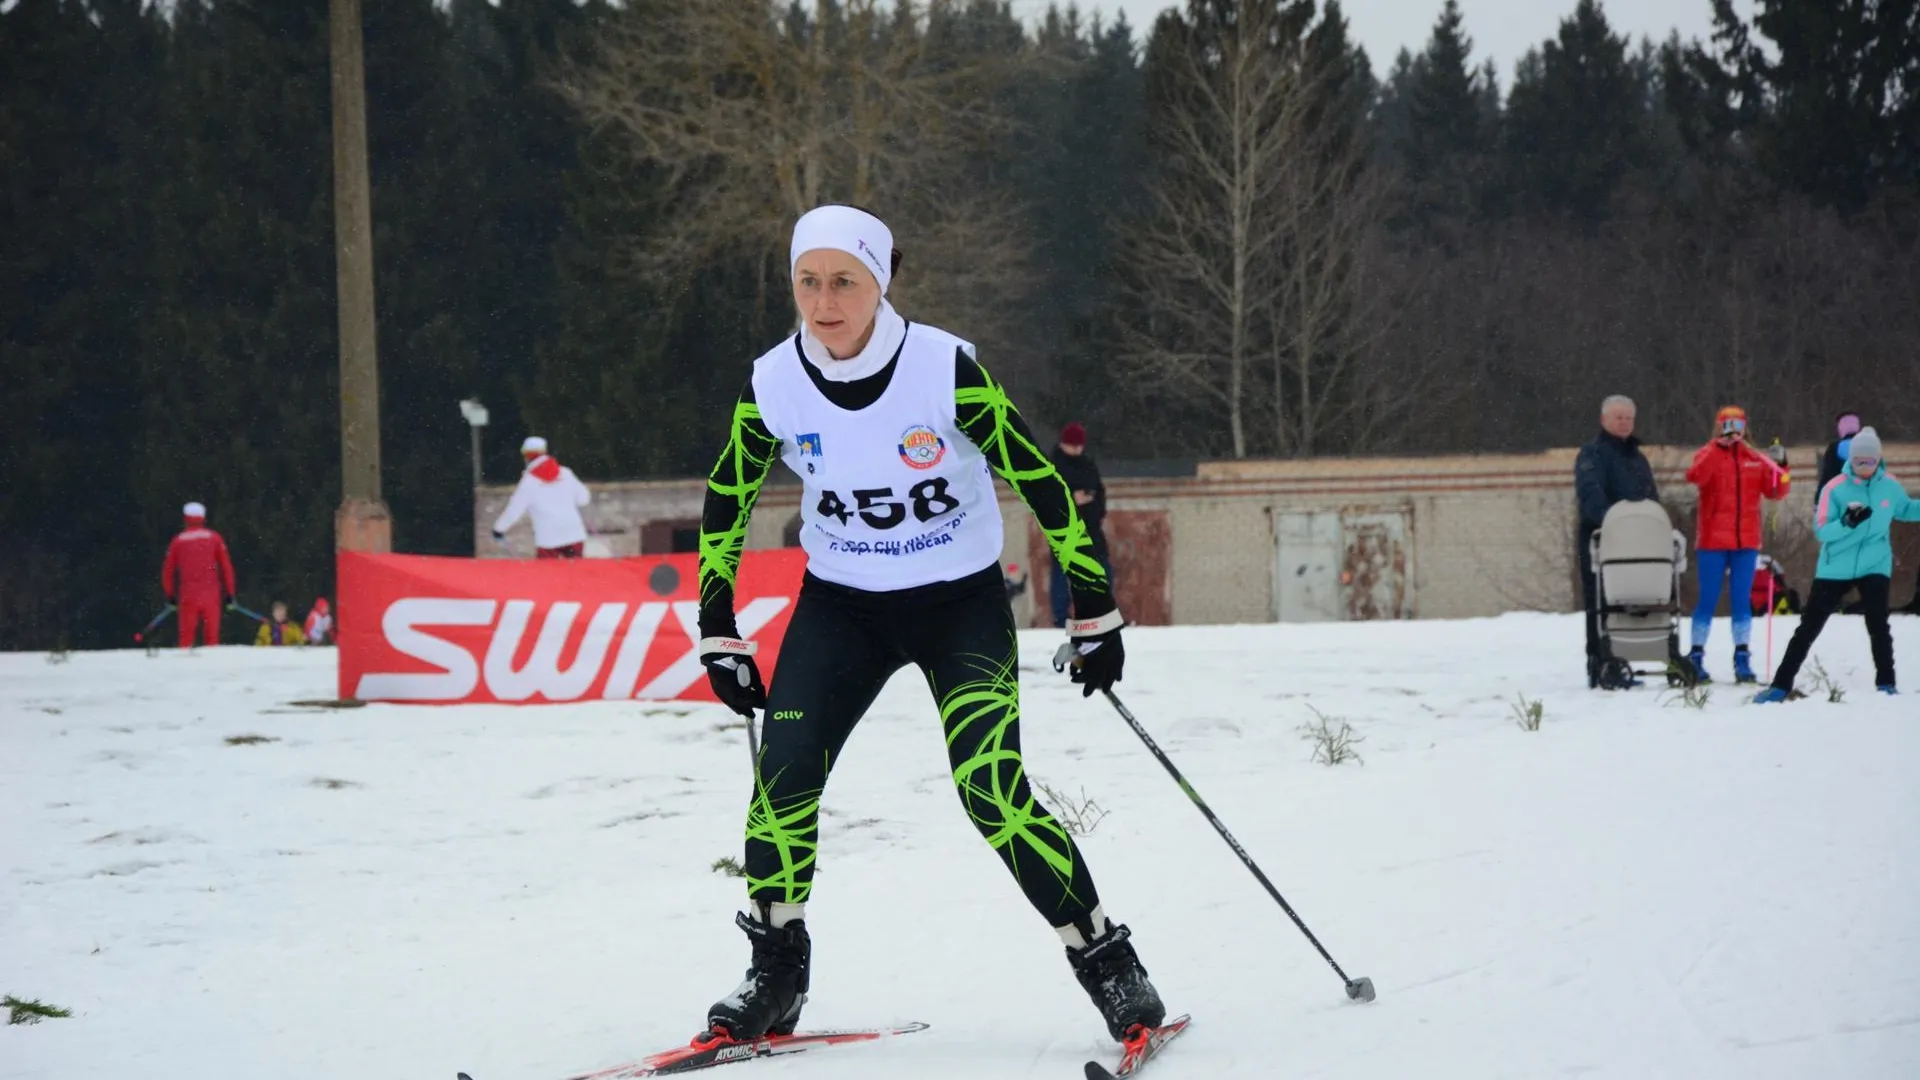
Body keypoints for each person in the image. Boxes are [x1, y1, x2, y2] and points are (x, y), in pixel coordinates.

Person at [692, 204, 1161, 1048]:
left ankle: (1109, 963)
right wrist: (716, 624)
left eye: (845, 282)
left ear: (881, 283)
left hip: (957, 605)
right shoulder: (773, 381)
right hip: (844, 608)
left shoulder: (942, 368)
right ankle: (775, 973)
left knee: (991, 792)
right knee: (784, 779)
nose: (825, 301)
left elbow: (1043, 481)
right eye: (808, 282)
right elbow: (728, 497)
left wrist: (1095, 603)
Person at [1755, 428, 1920, 701]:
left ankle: (1886, 684)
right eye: (1859, 462)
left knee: (1878, 624)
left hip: (1875, 564)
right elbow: (1822, 530)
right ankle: (1780, 685)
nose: (1865, 468)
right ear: (1850, 460)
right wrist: (1846, 522)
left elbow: (1906, 509)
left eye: (1871, 462)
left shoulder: (1889, 485)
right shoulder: (1835, 488)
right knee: (1809, 626)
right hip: (1835, 566)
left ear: (1879, 459)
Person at [1684, 405, 1791, 683]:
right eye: (1727, 424)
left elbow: (1777, 490)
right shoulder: (1708, 454)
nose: (1734, 430)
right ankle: (1696, 655)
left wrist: (1781, 464)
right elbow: (1696, 476)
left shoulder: (1753, 458)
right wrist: (1715, 447)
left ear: (1745, 428)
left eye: (1738, 425)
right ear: (1719, 426)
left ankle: (1742, 656)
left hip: (1746, 541)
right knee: (1708, 598)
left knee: (1742, 599)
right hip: (1712, 541)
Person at [1573, 395, 1658, 689]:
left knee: (1629, 600)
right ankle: (1600, 662)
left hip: (1639, 541)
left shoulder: (1638, 458)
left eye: (1628, 418)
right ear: (1604, 420)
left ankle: (1623, 658)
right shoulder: (1591, 454)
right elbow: (1590, 494)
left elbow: (1652, 498)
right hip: (1601, 538)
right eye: (1618, 417)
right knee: (1599, 601)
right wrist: (1615, 523)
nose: (1623, 423)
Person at [1048, 421, 1109, 627]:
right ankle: (1060, 618)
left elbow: (1099, 490)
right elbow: (1049, 496)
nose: (1077, 449)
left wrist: (1096, 510)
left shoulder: (1088, 464)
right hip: (1064, 528)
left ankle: (1101, 613)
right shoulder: (1053, 465)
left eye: (1079, 445)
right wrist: (1073, 501)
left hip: (1091, 526)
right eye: (1073, 445)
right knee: (1062, 574)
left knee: (1102, 569)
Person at [492, 435, 592, 558]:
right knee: (575, 574)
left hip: (548, 538)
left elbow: (514, 510)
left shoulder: (528, 482)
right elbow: (584, 499)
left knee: (548, 576)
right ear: (544, 452)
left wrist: (499, 529)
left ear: (527, 456)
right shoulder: (566, 473)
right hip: (574, 533)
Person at [161, 502, 236, 649]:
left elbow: (167, 571)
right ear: (203, 517)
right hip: (211, 594)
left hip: (188, 595)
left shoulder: (178, 540)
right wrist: (230, 594)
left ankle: (184, 670)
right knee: (212, 639)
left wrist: (170, 596)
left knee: (186, 639)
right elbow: (227, 567)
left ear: (185, 518)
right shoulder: (214, 538)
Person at [1816, 411, 1862, 494]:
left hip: (1841, 493)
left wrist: (1819, 496)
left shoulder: (1835, 447)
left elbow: (1828, 474)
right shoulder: (1868, 445)